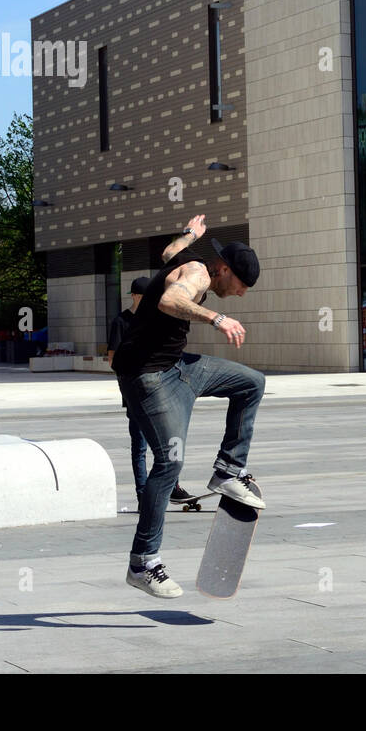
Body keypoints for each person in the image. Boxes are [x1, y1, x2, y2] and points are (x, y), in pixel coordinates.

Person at [113, 214, 266, 598]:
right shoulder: (198, 273)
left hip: (178, 368)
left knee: (251, 382)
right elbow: (169, 298)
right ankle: (143, 562)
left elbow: (168, 252)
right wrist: (216, 317)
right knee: (169, 462)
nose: (242, 293)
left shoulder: (187, 258)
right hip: (145, 376)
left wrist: (189, 234)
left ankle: (228, 470)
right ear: (224, 269)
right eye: (241, 285)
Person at [107, 274, 191, 509]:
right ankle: (143, 494)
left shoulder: (154, 319)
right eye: (144, 297)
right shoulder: (121, 322)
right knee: (140, 445)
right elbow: (113, 357)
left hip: (160, 389)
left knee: (167, 442)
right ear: (135, 296)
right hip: (134, 389)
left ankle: (172, 486)